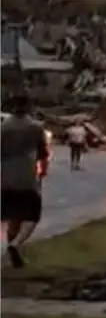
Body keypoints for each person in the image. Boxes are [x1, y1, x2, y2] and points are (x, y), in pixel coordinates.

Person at [1, 94, 50, 268]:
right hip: (26, 177)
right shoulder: (36, 127)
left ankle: (13, 256)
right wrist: (42, 173)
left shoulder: (3, 127)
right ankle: (16, 245)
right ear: (29, 107)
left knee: (13, 216)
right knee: (32, 216)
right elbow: (43, 155)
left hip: (4, 178)